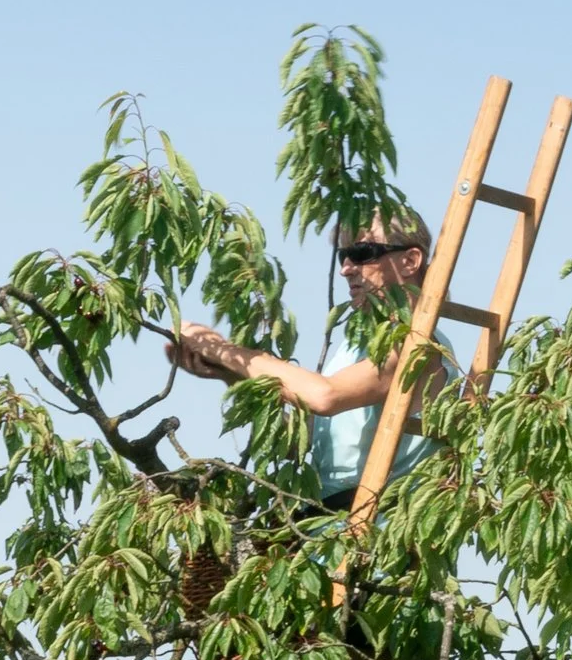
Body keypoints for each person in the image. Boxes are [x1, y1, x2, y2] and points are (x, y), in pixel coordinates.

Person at [166, 210, 447, 498]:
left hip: (377, 531)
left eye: (363, 253)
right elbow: (295, 444)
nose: (346, 269)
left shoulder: (417, 345)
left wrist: (225, 350)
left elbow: (324, 397)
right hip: (327, 527)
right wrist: (229, 373)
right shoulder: (356, 347)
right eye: (343, 256)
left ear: (410, 261)